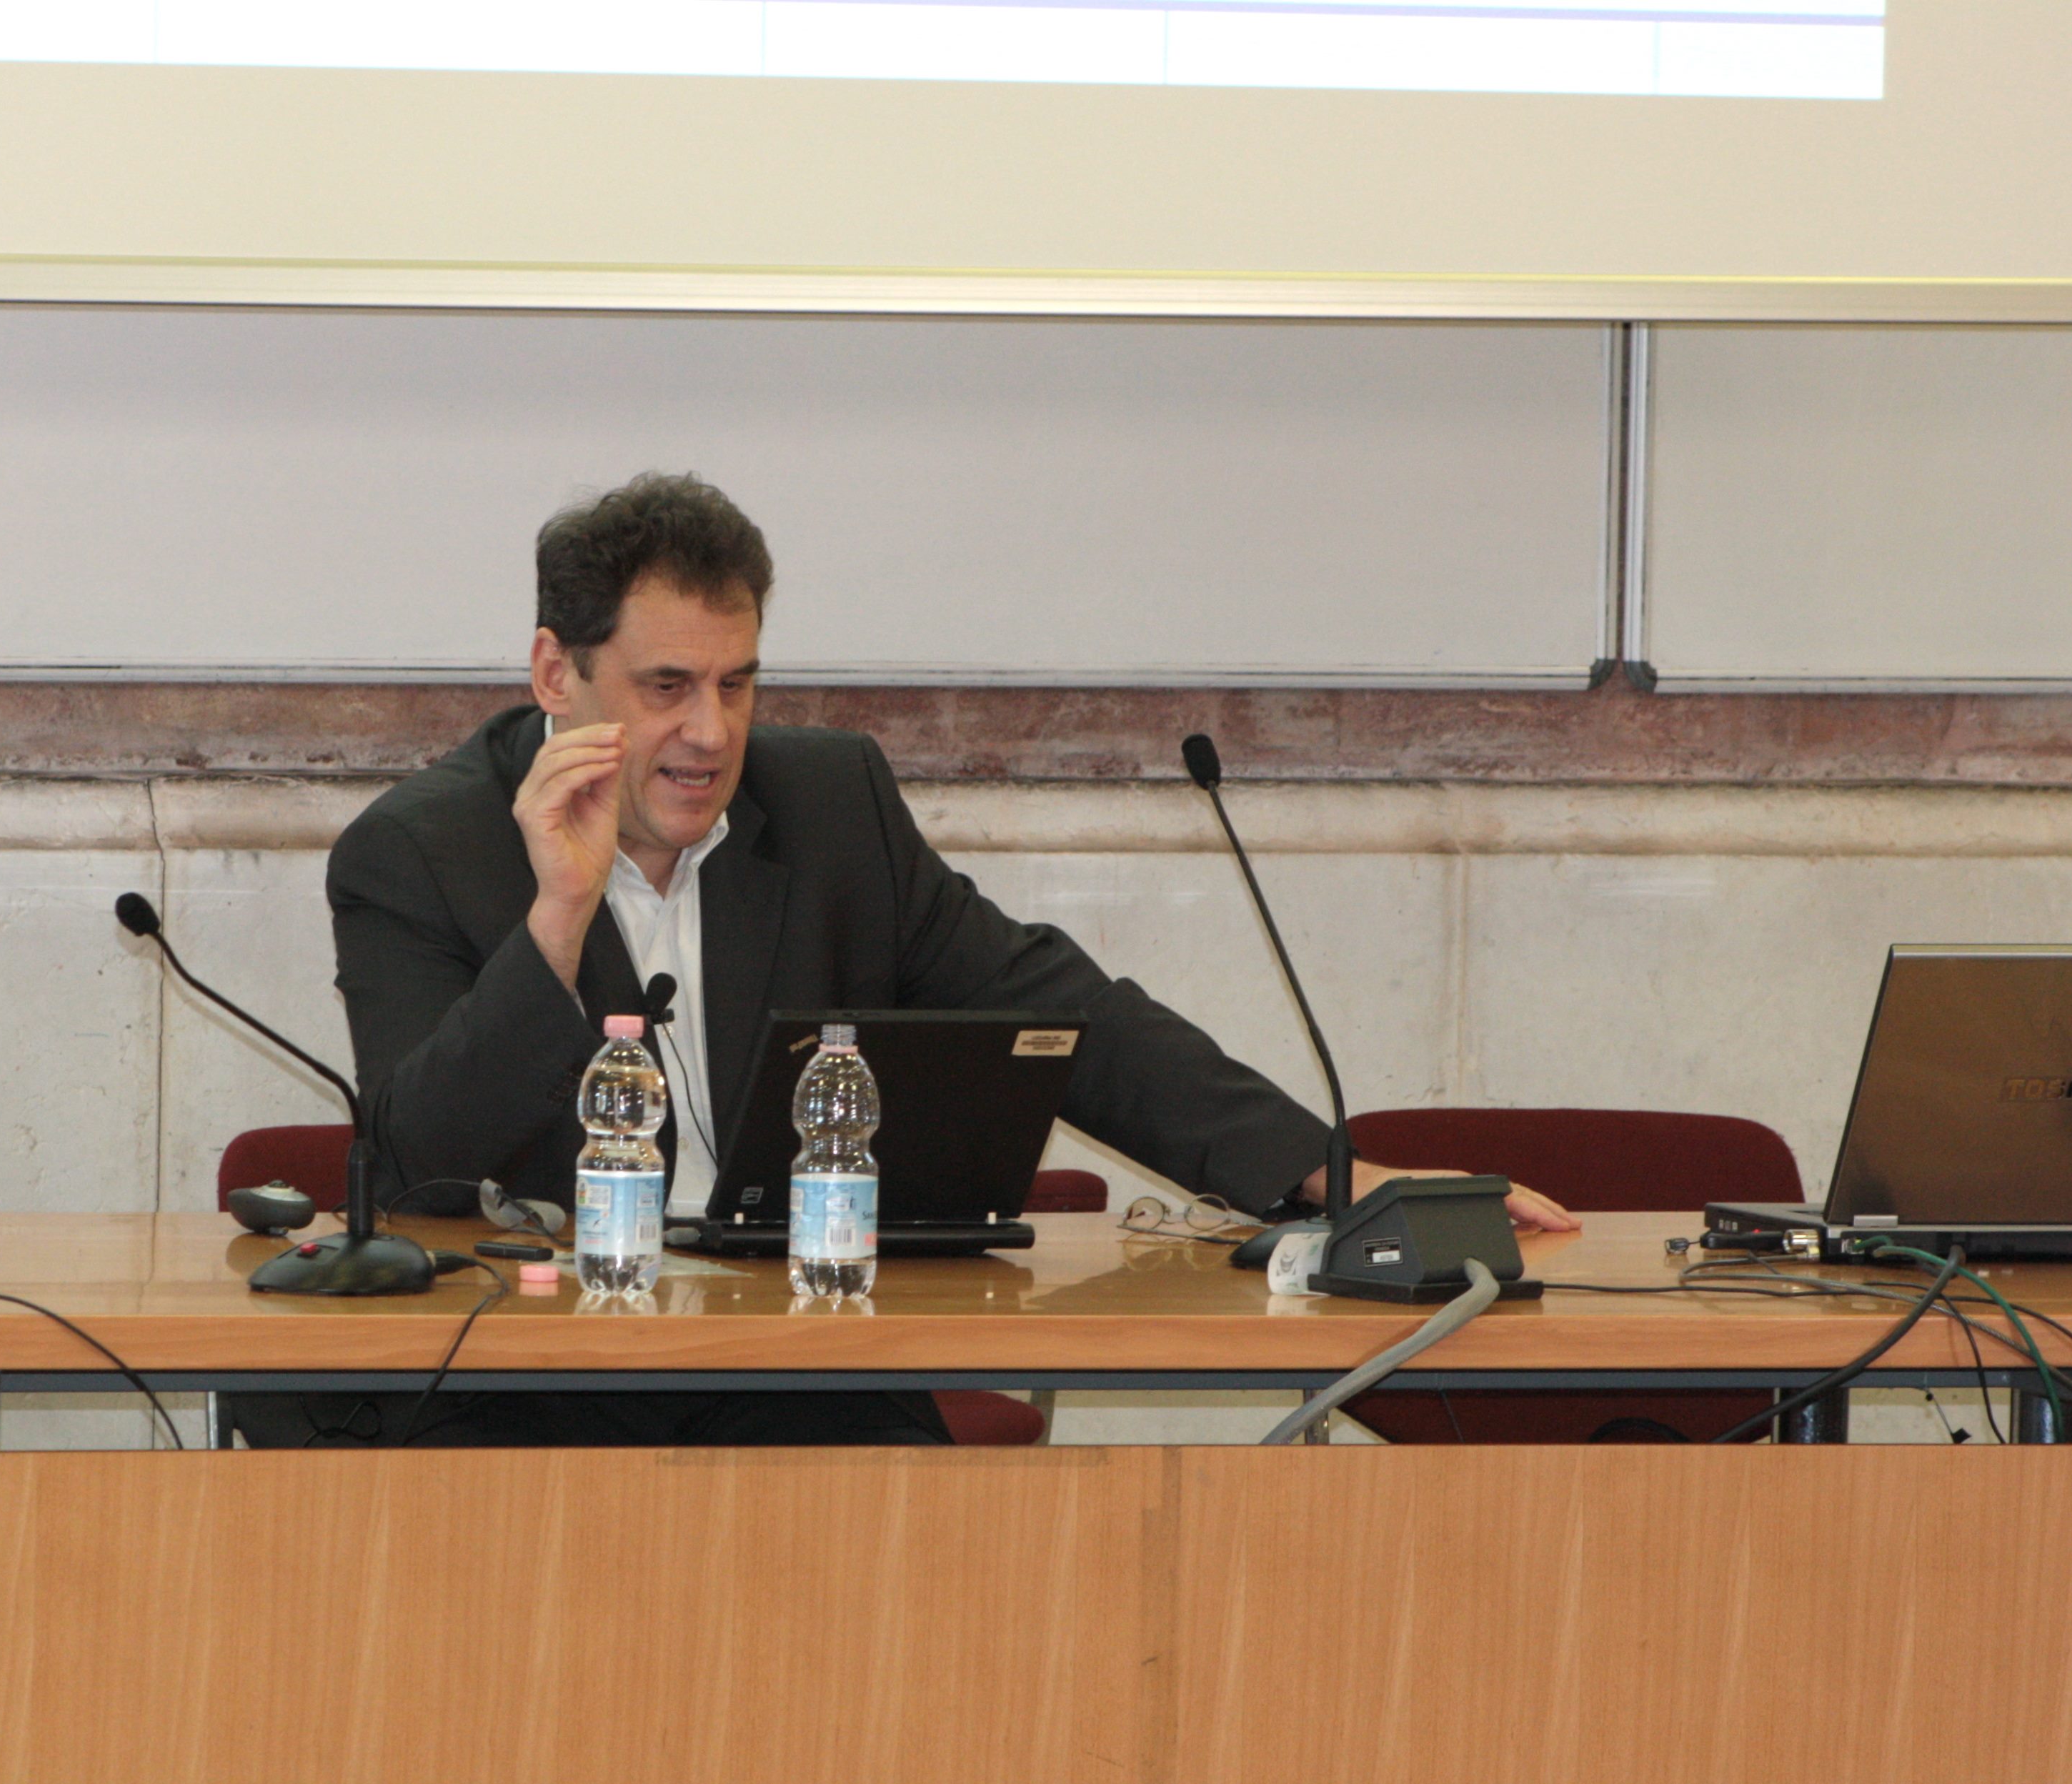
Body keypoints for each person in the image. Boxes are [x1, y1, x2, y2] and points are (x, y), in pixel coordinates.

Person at [233, 473, 1574, 1449]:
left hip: (792, 1367)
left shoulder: (830, 807)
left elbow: (1060, 1009)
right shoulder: (419, 852)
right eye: (666, 687)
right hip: (530, 1387)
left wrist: (1338, 1178)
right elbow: (416, 1156)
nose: (711, 733)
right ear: (553, 674)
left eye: (738, 683)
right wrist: (559, 916)